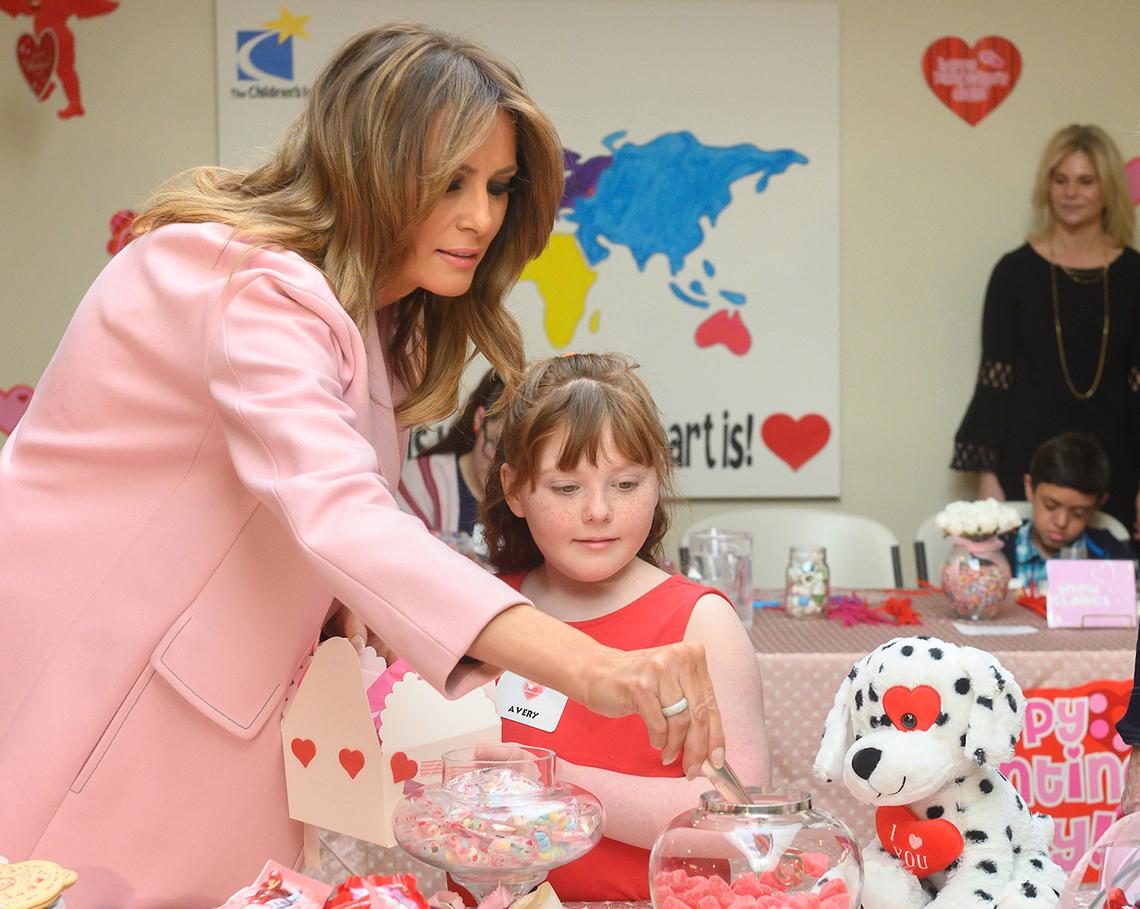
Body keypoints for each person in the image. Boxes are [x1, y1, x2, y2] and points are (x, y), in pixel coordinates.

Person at [0, 26, 726, 909]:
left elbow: (291, 506)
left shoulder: (368, 318)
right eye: (450, 182)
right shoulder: (242, 283)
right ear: (367, 167)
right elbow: (338, 513)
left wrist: (341, 598)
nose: (483, 217)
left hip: (226, 723)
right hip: (107, 709)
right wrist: (588, 665)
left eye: (498, 187)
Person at [482, 353, 770, 901]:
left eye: (626, 483)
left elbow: (735, 826)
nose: (598, 511)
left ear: (656, 481)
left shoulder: (699, 622)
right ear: (515, 489)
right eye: (567, 488)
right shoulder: (487, 612)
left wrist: (553, 782)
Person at [951, 124, 1140, 540]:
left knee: (1113, 596)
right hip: (1026, 464)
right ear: (1047, 186)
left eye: (1086, 181)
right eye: (1061, 180)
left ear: (1107, 189)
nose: (1072, 192)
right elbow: (994, 380)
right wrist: (989, 479)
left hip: (1117, 468)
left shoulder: (1134, 275)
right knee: (1020, 596)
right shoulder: (1014, 273)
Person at [1002, 432, 1134, 587]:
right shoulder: (998, 547)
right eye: (1050, 506)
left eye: (1078, 513)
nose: (1061, 522)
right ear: (1030, 488)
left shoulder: (1111, 555)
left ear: (1099, 503)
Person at [397, 367, 503, 541]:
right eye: (497, 445)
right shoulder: (424, 480)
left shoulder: (528, 498)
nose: (500, 467)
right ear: (479, 419)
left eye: (516, 457)